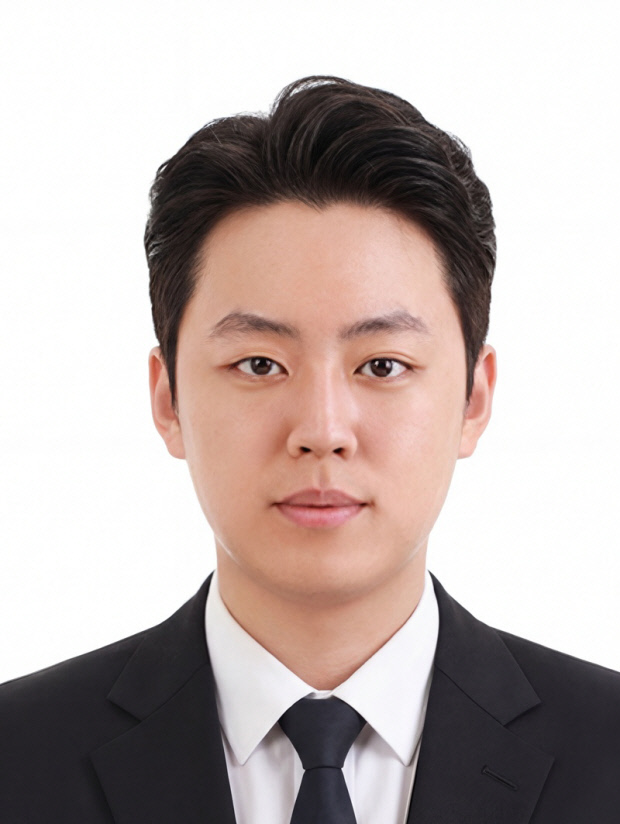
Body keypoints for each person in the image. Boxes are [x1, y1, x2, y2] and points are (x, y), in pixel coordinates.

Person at [1, 76, 618, 824]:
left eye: (382, 365)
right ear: (168, 400)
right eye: (259, 364)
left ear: (473, 399)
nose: (322, 429)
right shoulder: (19, 756)